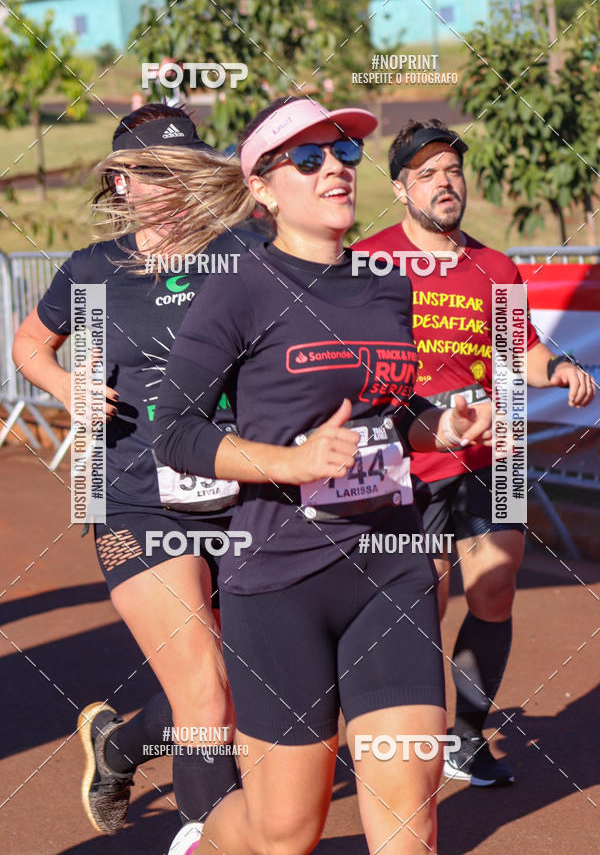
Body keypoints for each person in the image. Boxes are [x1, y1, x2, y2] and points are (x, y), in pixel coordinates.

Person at [153, 96, 494, 854]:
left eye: (343, 152)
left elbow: (390, 413)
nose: (335, 167)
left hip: (392, 566)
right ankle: (204, 841)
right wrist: (291, 462)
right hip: (280, 576)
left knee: (410, 815)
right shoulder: (240, 286)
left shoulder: (387, 283)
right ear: (264, 188)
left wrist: (443, 423)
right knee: (285, 832)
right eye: (308, 158)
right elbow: (173, 431)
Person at [11, 103, 261, 837]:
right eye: (153, 173)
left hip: (246, 496)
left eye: (184, 172)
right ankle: (211, 841)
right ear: (120, 181)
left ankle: (118, 746)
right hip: (132, 500)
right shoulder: (94, 270)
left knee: (235, 686)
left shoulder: (244, 254)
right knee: (207, 694)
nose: (172, 187)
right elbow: (30, 345)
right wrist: (67, 387)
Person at [357, 118, 595, 787]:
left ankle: (464, 737)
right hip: (407, 456)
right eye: (427, 174)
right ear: (401, 189)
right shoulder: (368, 261)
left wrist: (561, 369)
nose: (445, 183)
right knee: (422, 600)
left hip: (495, 452)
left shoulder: (495, 267)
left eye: (453, 171)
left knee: (496, 586)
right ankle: (394, 735)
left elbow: (522, 350)